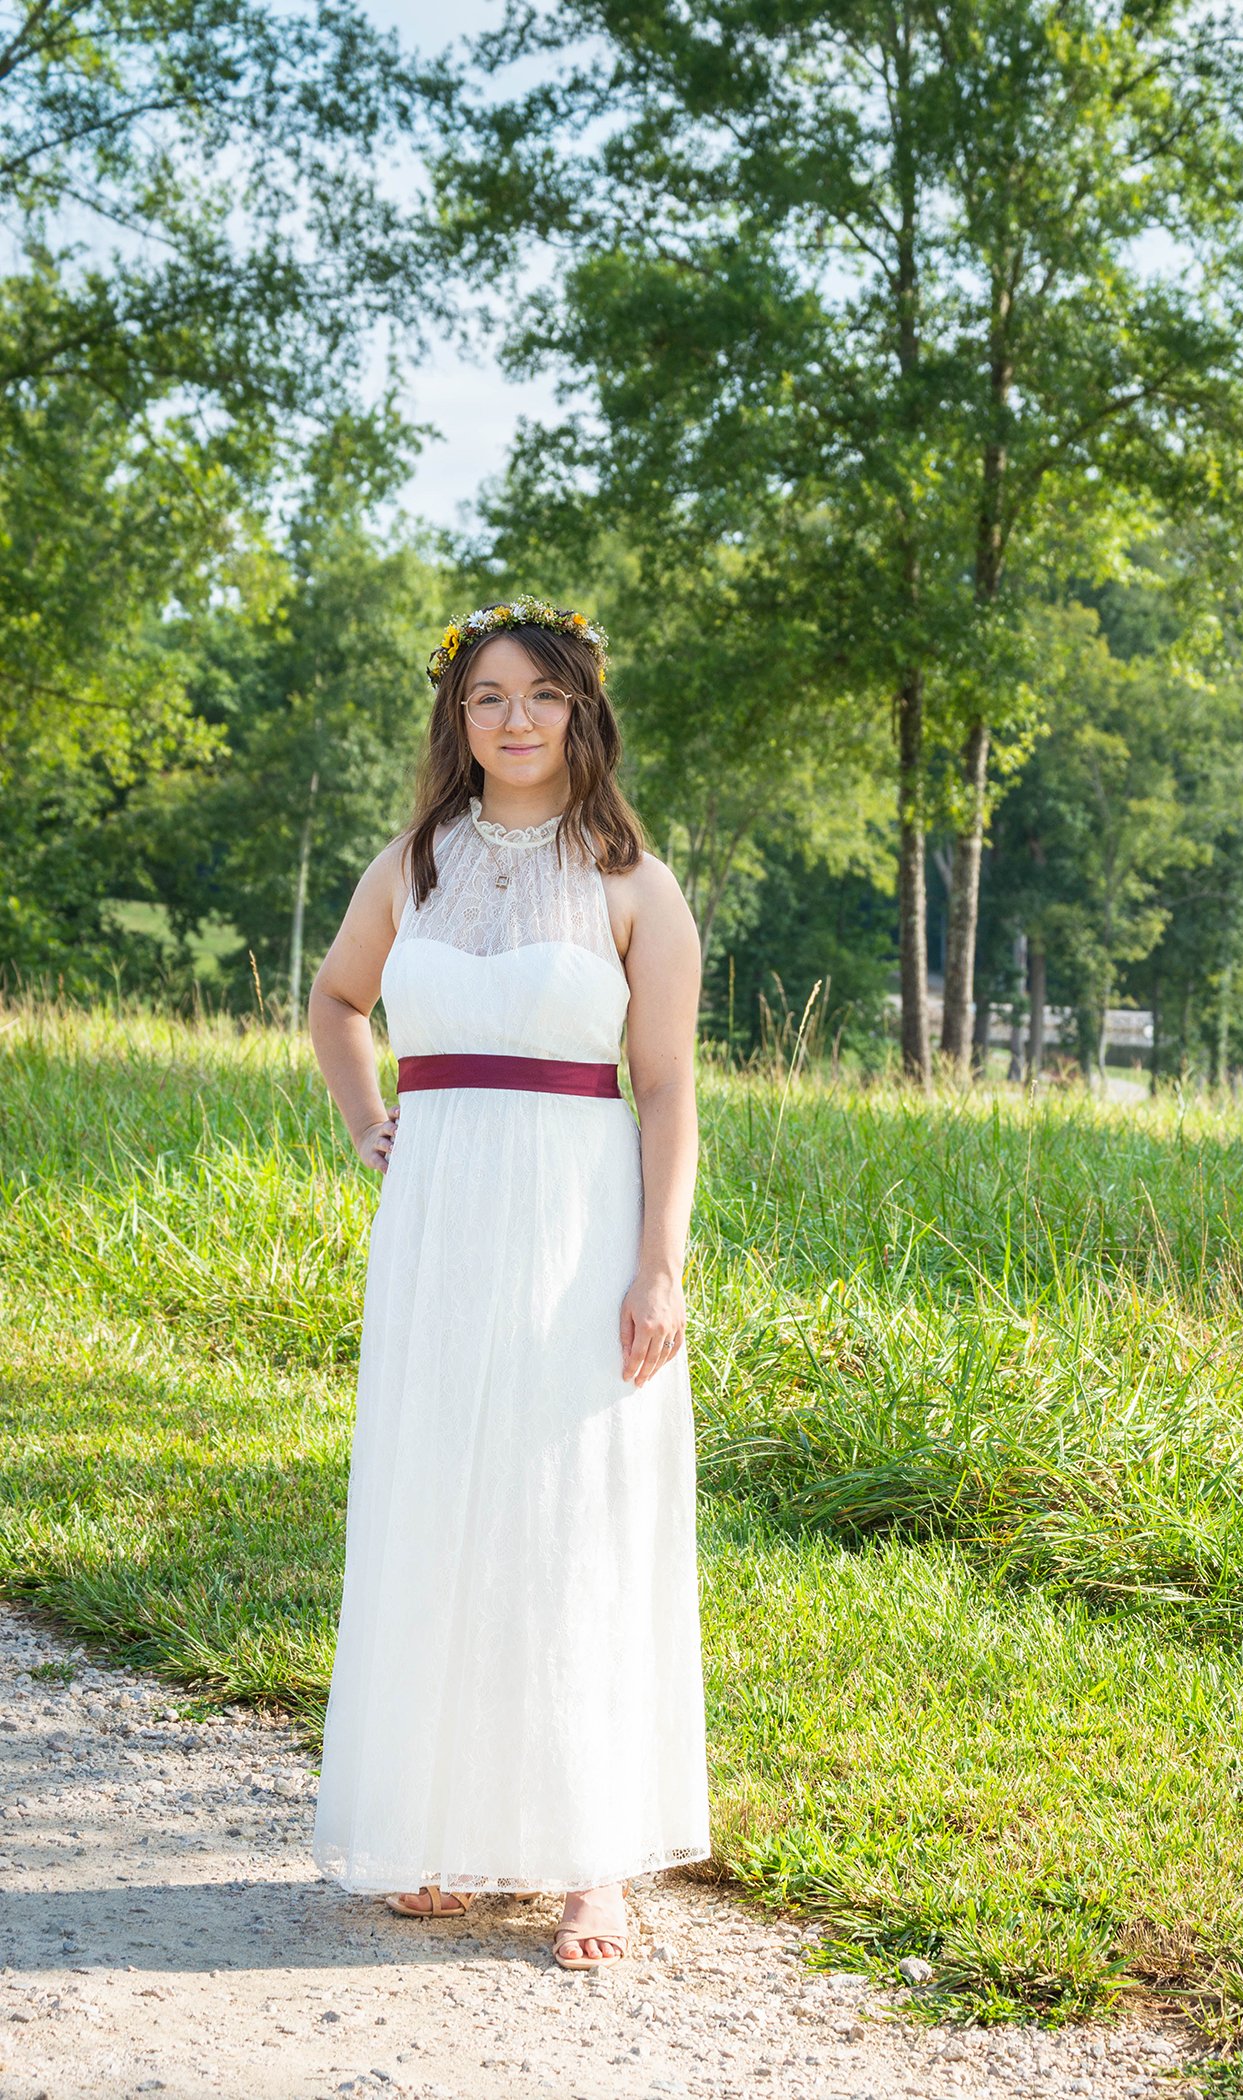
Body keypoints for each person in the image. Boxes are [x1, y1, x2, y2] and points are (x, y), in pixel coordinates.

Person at [305, 595, 710, 1971]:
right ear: (457, 718)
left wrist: (659, 1266)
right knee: (443, 1501)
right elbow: (336, 1000)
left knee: (570, 1512)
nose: (515, 719)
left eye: (541, 695)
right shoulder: (410, 866)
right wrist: (369, 1123)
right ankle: (452, 1822)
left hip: (576, 1223)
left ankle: (594, 1860)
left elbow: (664, 1090)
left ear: (583, 712)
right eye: (488, 697)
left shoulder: (633, 884)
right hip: (436, 1227)